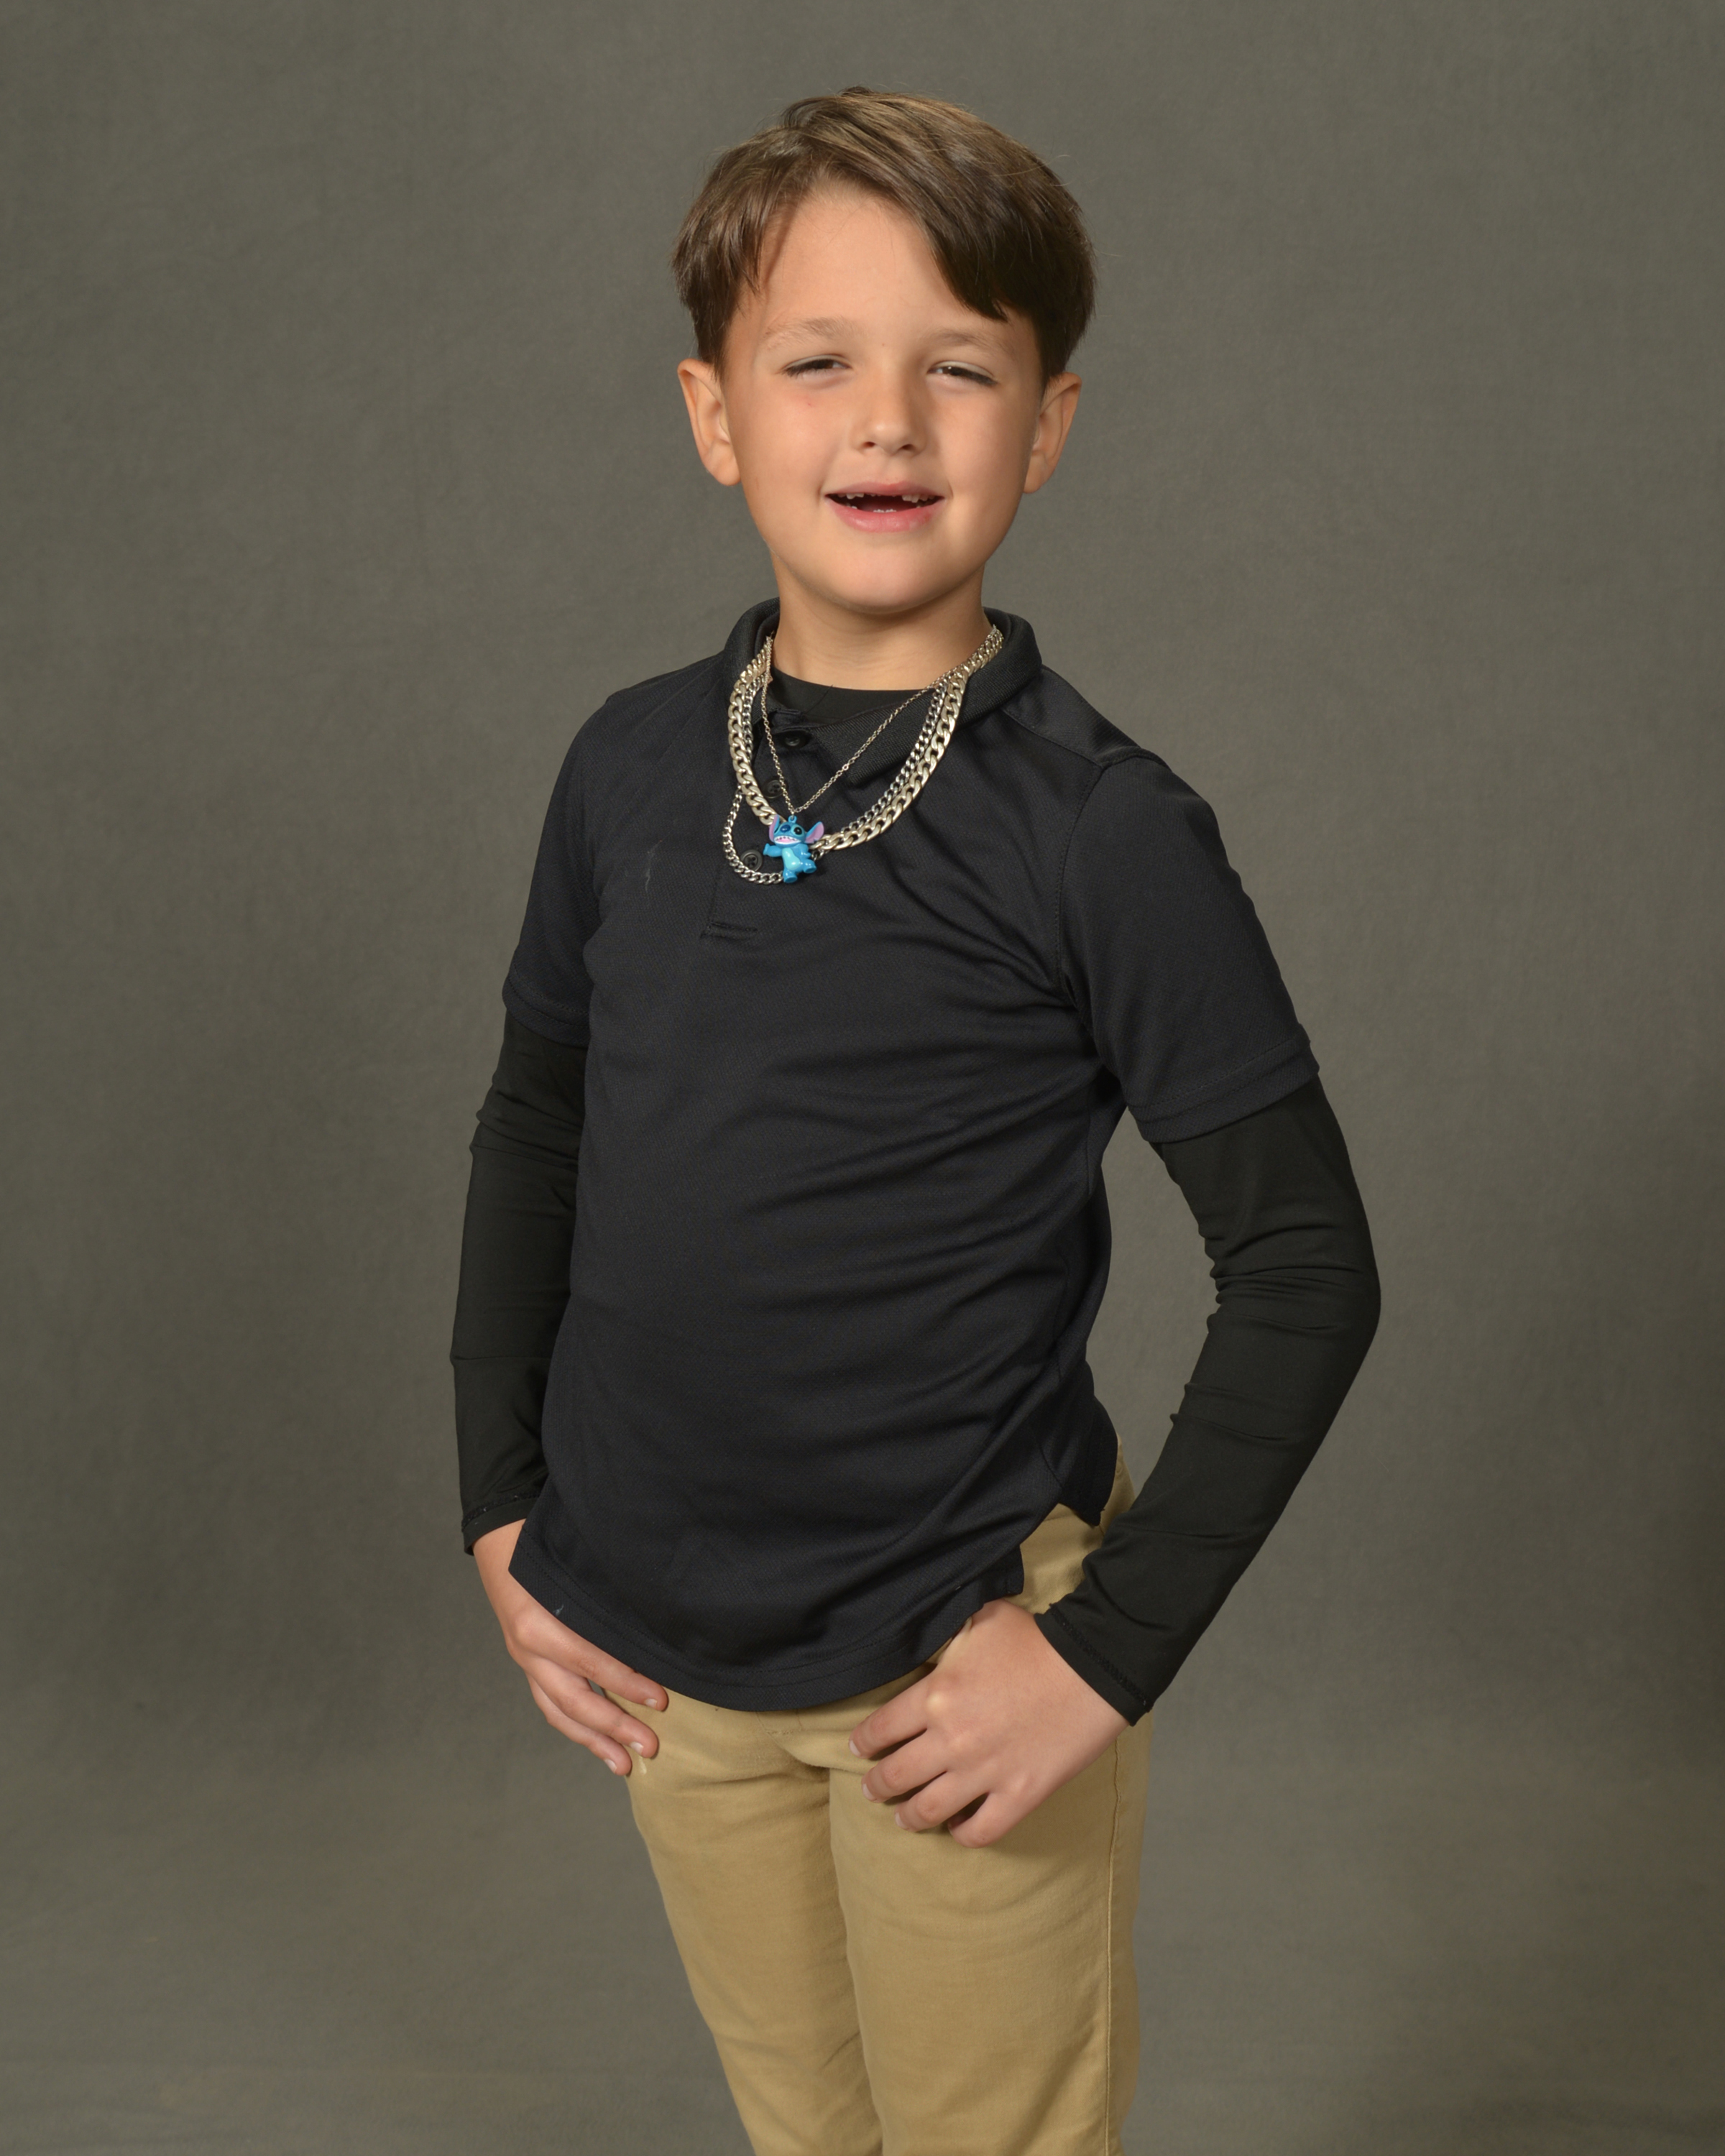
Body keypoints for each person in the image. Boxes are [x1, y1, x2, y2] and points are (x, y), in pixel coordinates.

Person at [451, 88, 1380, 2156]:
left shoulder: (1101, 832)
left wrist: (1105, 1658)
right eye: (817, 364)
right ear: (714, 415)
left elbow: (1310, 1264)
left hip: (950, 1661)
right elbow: (537, 1127)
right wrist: (503, 1503)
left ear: (1046, 425)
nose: (887, 422)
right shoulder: (624, 772)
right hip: (663, 1658)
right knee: (809, 2133)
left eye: (960, 368)